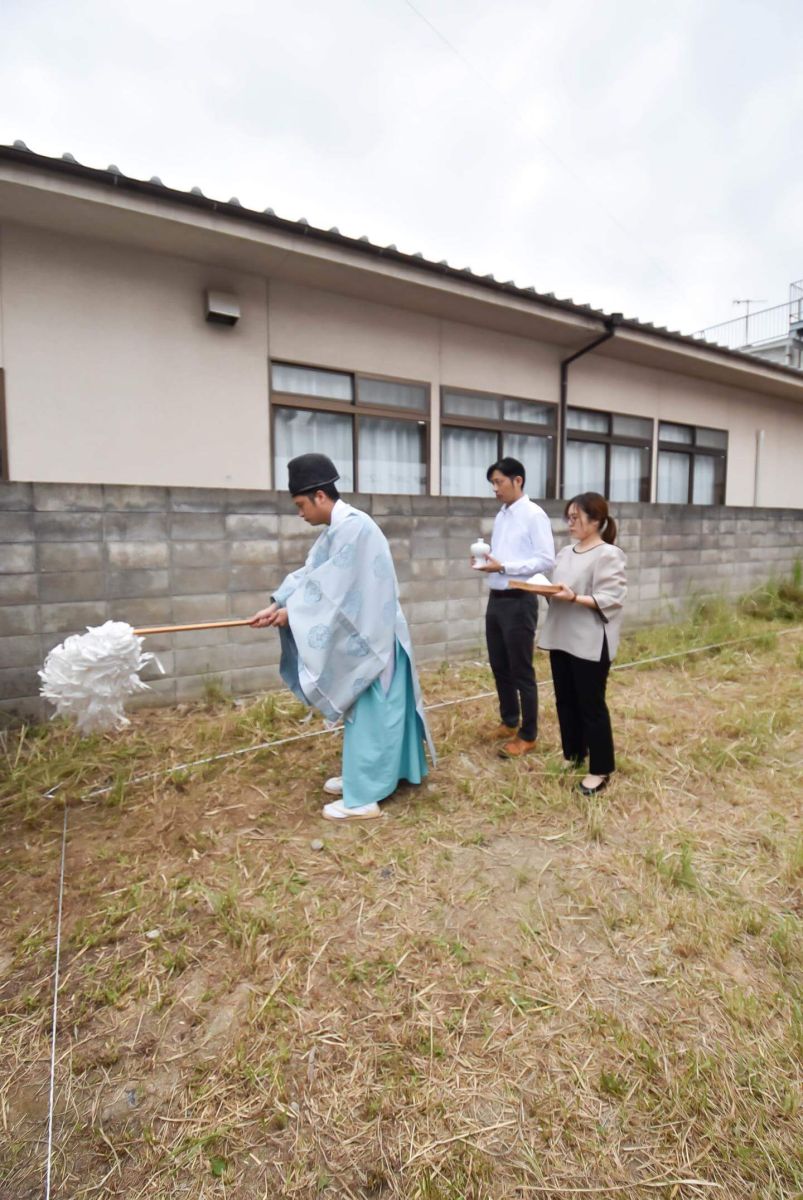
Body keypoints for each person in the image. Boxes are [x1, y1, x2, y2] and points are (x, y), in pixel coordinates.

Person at [250, 453, 434, 821]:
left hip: (373, 637)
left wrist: (293, 614)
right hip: (371, 632)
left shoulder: (353, 528)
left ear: (320, 496)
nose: (300, 513)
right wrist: (278, 603)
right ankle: (373, 775)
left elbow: (336, 593)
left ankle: (364, 795)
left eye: (301, 504)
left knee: (373, 713)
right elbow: (312, 574)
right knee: (379, 711)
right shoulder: (338, 529)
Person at [538, 492, 627, 795]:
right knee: (565, 699)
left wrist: (574, 597)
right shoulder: (565, 552)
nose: (570, 523)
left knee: (591, 705)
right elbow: (558, 588)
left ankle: (600, 769)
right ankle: (574, 753)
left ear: (597, 521)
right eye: (569, 517)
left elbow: (612, 598)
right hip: (562, 634)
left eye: (576, 517)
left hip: (589, 640)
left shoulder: (608, 554)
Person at [475, 457, 556, 759]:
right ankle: (510, 720)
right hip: (496, 597)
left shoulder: (534, 515)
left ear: (517, 480)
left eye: (499, 482)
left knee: (521, 669)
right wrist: (488, 562)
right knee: (499, 665)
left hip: (521, 599)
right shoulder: (502, 514)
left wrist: (506, 566)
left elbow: (546, 559)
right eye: (492, 483)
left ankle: (529, 734)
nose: (495, 488)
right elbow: (503, 554)